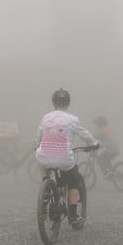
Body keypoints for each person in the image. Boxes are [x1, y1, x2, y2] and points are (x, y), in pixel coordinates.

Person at [35, 88, 99, 223]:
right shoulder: (72, 119)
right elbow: (85, 135)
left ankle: (46, 186)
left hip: (44, 155)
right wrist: (94, 143)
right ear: (68, 103)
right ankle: (74, 215)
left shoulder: (46, 117)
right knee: (73, 182)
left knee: (43, 158)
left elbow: (39, 135)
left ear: (53, 103)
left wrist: (37, 145)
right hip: (63, 158)